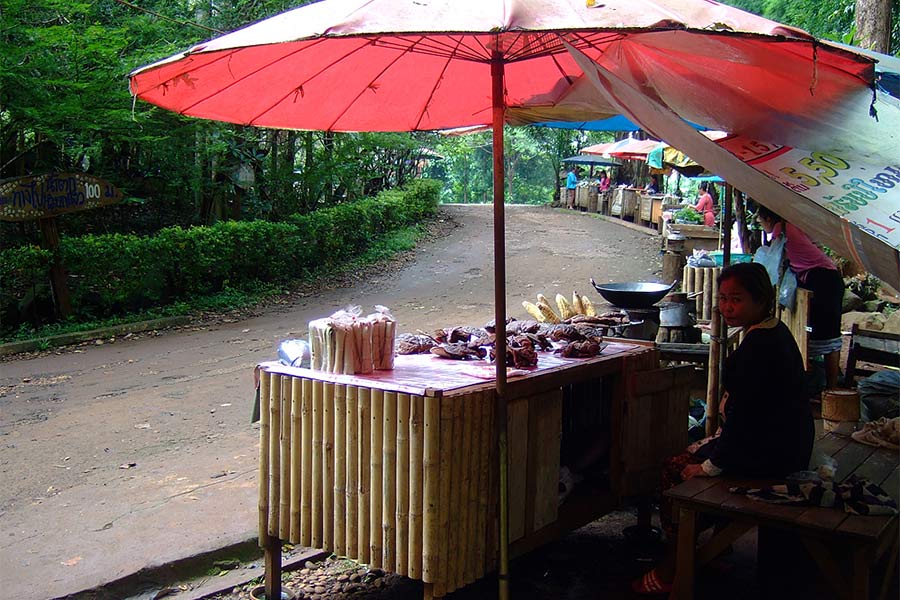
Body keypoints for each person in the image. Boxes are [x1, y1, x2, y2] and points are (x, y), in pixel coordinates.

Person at [633, 262, 814, 595]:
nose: (727, 307)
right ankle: (719, 549)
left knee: (675, 469)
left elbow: (746, 422)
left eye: (737, 299)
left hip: (769, 455)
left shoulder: (760, 348)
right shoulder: (772, 331)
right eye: (723, 298)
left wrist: (709, 466)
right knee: (694, 450)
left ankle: (676, 563)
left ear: (761, 300)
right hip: (784, 445)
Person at [756, 205, 845, 390]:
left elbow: (773, 265)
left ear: (769, 219)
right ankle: (828, 387)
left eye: (761, 220)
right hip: (826, 278)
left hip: (823, 281)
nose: (760, 223)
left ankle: (831, 389)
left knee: (824, 335)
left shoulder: (782, 229)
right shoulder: (792, 225)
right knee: (822, 334)